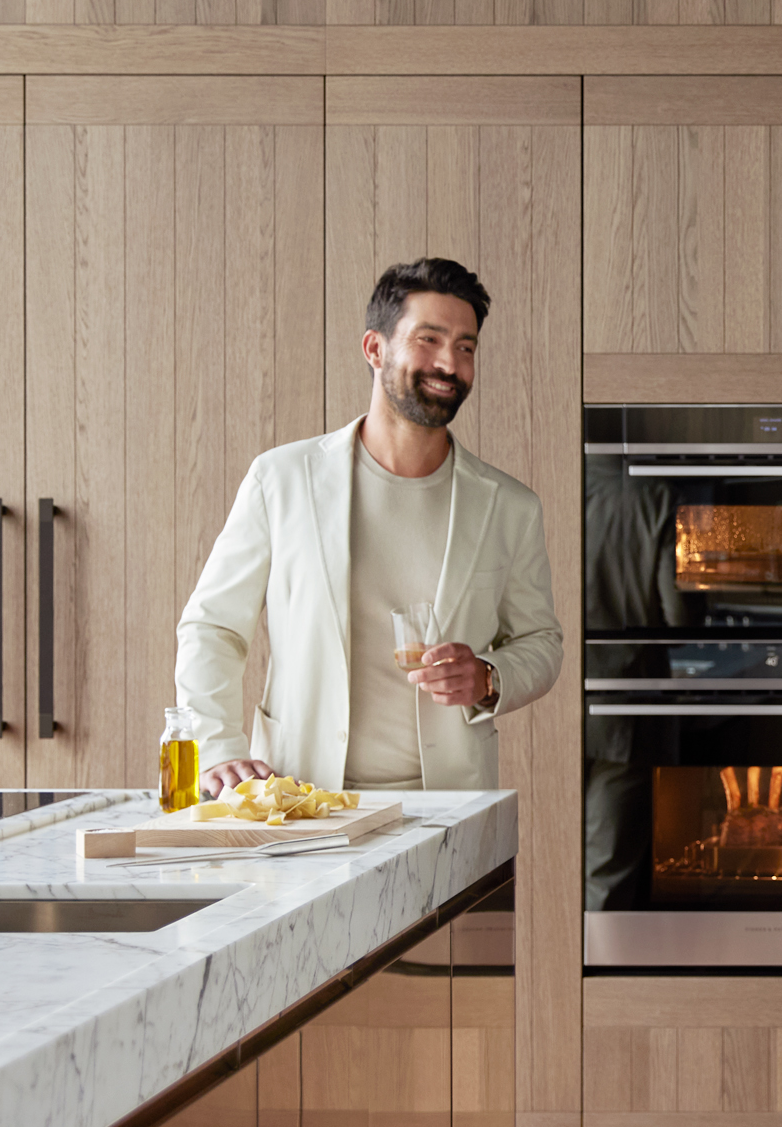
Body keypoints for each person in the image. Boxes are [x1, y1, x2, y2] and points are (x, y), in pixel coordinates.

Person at [176, 257, 563, 797]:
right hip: (300, 798)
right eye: (428, 339)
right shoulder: (281, 480)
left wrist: (489, 677)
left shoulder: (510, 507)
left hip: (448, 806)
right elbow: (213, 625)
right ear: (375, 349)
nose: (449, 363)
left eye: (466, 346)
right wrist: (217, 747)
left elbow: (541, 641)